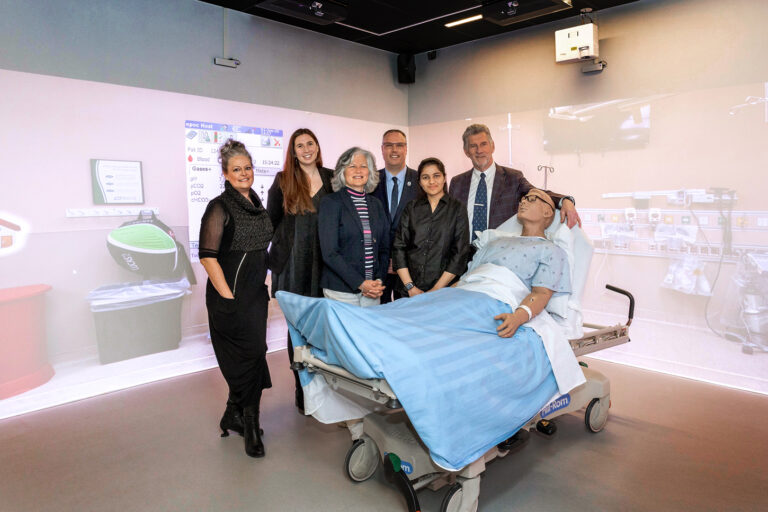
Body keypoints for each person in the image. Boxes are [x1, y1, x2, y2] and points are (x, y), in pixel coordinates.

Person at [199, 139, 273, 458]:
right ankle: (251, 427)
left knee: (255, 355)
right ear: (226, 174)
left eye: (247, 167)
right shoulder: (219, 207)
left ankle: (234, 413)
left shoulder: (257, 204)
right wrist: (229, 298)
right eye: (236, 169)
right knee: (248, 357)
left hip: (255, 295)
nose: (243, 173)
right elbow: (208, 257)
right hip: (229, 297)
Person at [267, 128, 333, 414]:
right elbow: (270, 224)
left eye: (310, 143)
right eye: (299, 146)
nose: (306, 149)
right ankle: (301, 386)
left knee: (321, 328)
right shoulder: (283, 181)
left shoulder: (332, 178)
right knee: (296, 330)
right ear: (292, 152)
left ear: (317, 146)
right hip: (293, 265)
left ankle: (323, 386)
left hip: (325, 265)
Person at [448, 124, 581, 242]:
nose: (479, 150)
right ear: (466, 151)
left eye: (483, 144)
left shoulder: (513, 178)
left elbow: (538, 193)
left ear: (492, 146)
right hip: (462, 258)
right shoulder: (457, 183)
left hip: (499, 254)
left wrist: (565, 201)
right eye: (473, 146)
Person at [486, 188, 571, 338]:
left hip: (496, 302)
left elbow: (541, 293)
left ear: (547, 212)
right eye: (523, 199)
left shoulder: (550, 250)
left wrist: (517, 318)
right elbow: (466, 279)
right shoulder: (495, 242)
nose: (523, 201)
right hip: (465, 295)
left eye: (531, 199)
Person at [318, 147, 389, 306]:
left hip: (373, 290)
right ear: (342, 172)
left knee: (369, 332)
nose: (358, 170)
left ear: (370, 171)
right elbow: (330, 253)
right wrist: (360, 283)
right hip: (341, 290)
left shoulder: (376, 205)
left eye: (363, 166)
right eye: (352, 166)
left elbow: (384, 249)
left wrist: (378, 280)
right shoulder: (331, 203)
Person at [392, 157, 470, 298]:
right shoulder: (411, 208)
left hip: (442, 292)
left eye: (436, 176)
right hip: (406, 291)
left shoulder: (457, 209)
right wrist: (410, 287)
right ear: (420, 182)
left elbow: (459, 254)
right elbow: (399, 247)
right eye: (425, 177)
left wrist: (436, 290)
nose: (432, 182)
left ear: (445, 178)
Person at [372, 129, 419, 302]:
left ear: (406, 149)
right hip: (377, 265)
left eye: (399, 145)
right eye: (389, 145)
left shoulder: (421, 181)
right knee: (379, 315)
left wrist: (400, 259)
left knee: (407, 316)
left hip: (411, 265)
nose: (394, 150)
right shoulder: (370, 181)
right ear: (382, 149)